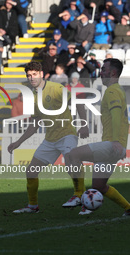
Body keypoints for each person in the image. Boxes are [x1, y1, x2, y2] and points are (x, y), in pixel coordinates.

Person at [7, 61, 89, 214]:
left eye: (34, 74)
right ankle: (33, 206)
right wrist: (18, 142)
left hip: (67, 134)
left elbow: (78, 103)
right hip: (50, 139)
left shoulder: (56, 88)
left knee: (72, 159)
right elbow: (35, 123)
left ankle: (78, 195)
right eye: (29, 75)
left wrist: (84, 124)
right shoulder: (33, 96)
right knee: (31, 171)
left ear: (42, 74)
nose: (32, 78)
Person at [68, 58, 130, 216]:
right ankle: (129, 208)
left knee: (73, 155)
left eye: (104, 69)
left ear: (113, 73)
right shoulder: (117, 90)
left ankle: (78, 195)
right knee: (99, 186)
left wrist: (115, 142)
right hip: (116, 145)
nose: (101, 72)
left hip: (111, 145)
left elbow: (117, 116)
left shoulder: (112, 91)